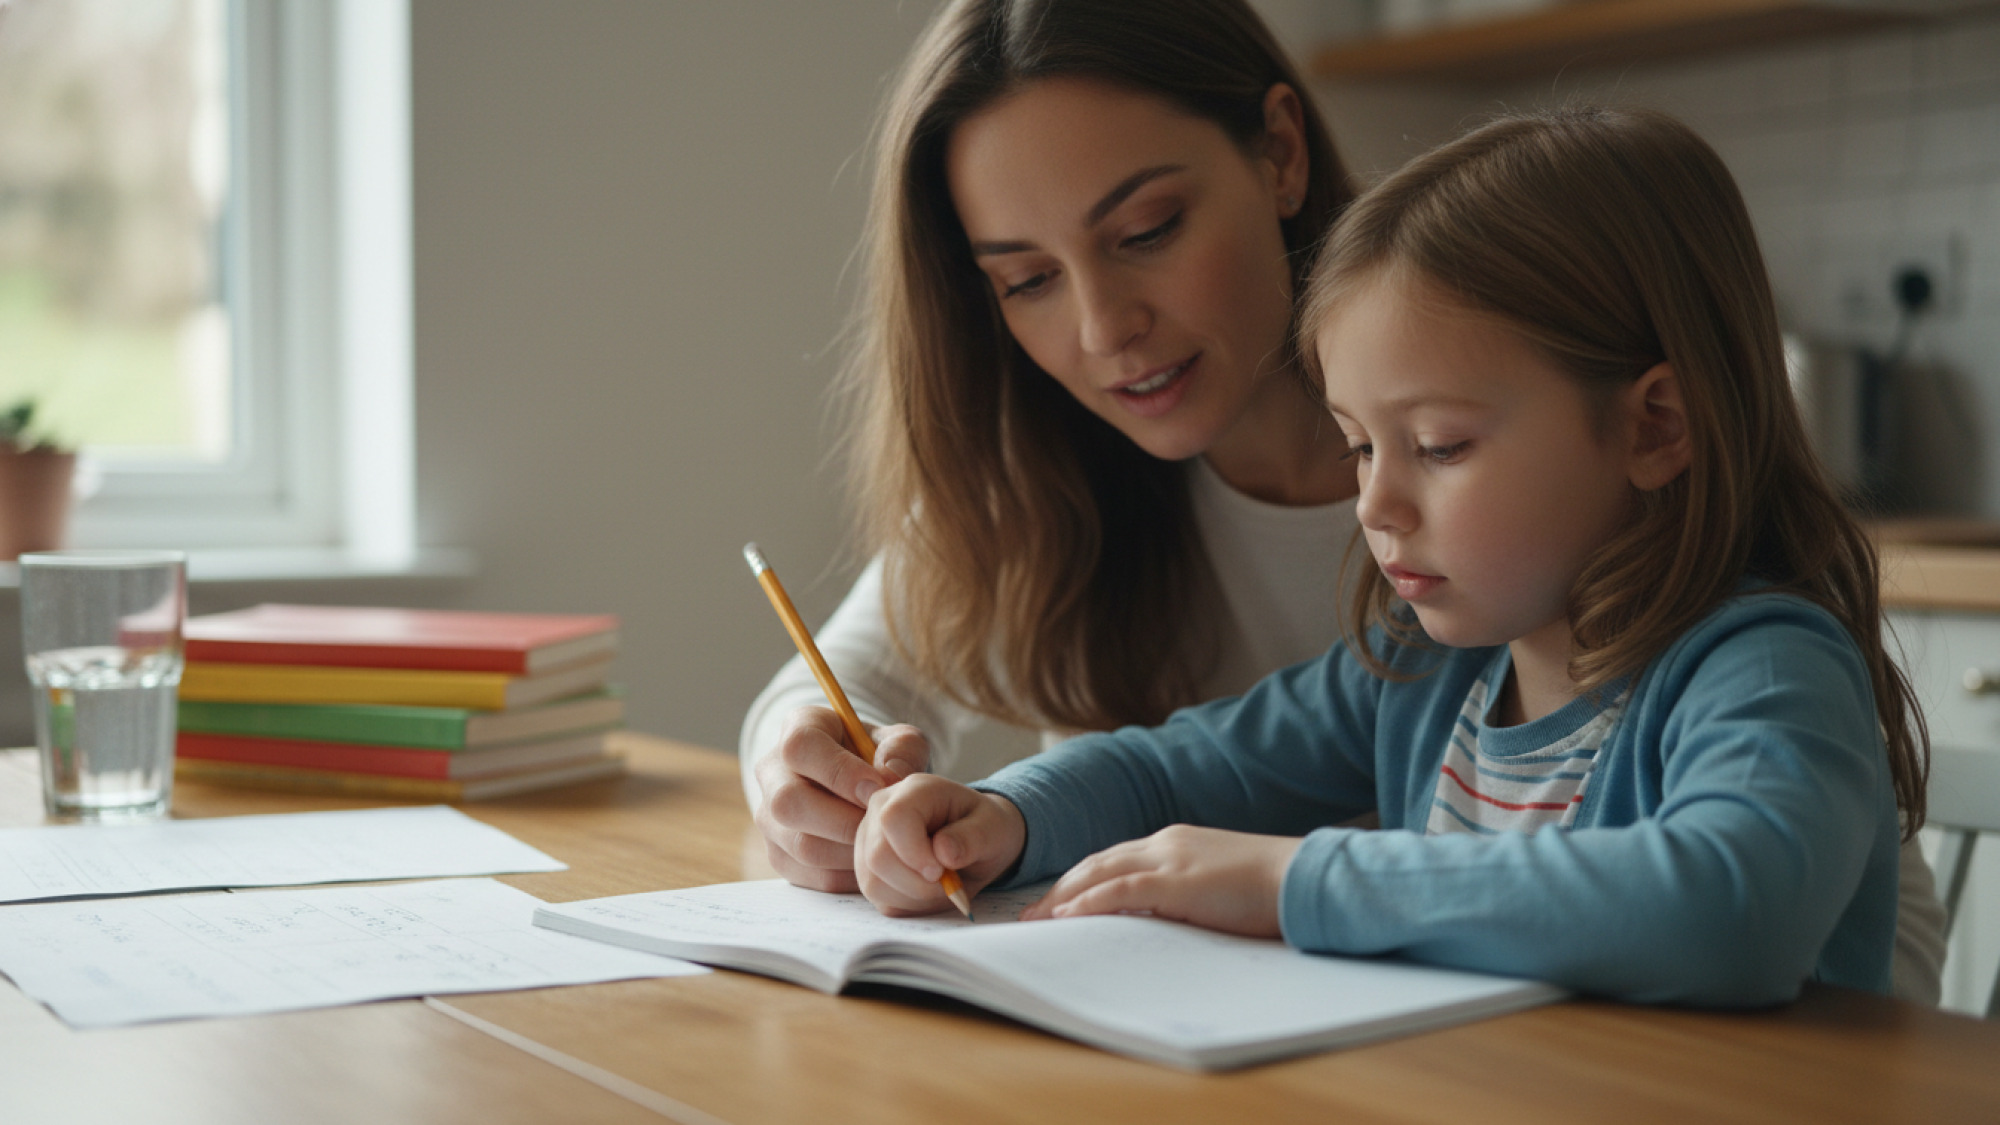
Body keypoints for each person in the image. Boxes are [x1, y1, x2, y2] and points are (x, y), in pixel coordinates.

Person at [852, 106, 1941, 1006]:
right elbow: (1171, 767)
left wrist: (1296, 879)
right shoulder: (1424, 670)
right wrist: (1006, 813)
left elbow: (1727, 913)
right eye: (1359, 445)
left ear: (1653, 427)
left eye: (1437, 446)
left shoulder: (1757, 669)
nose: (1375, 503)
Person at [741, 0, 1360, 893]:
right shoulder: (1040, 469)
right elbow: (844, 683)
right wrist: (806, 773)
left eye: (1146, 231)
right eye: (1028, 280)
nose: (1106, 328)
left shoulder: (1506, 446)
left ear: (1280, 155)